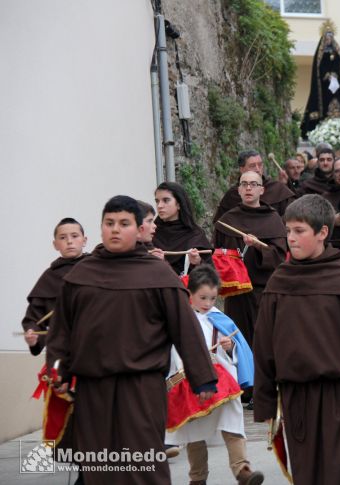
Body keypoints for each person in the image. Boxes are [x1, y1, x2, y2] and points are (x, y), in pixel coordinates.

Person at [46, 195, 218, 485]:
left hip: (142, 388)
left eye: (124, 223)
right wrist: (59, 368)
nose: (115, 229)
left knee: (143, 465)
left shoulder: (158, 274)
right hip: (92, 389)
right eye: (109, 223)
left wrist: (203, 378)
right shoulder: (81, 276)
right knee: (99, 467)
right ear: (101, 229)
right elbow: (62, 329)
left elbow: (185, 328)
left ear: (139, 230)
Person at [253, 194, 340, 485]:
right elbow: (264, 344)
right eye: (288, 231)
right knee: (309, 476)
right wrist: (265, 399)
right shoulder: (280, 282)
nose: (291, 238)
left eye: (299, 231)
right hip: (297, 400)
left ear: (323, 232)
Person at [165, 265, 261, 485]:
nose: (208, 304)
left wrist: (229, 347)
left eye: (212, 298)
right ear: (189, 294)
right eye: (203, 298)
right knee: (193, 431)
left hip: (221, 378)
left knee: (233, 421)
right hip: (189, 380)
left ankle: (242, 469)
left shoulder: (219, 318)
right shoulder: (179, 319)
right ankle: (197, 478)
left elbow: (236, 351)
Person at [214, 171, 287, 351]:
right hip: (237, 294)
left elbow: (279, 256)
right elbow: (218, 254)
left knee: (264, 341)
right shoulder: (227, 220)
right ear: (238, 190)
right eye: (244, 184)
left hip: (263, 291)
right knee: (238, 340)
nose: (248, 188)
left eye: (253, 184)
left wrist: (259, 247)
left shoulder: (273, 219)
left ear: (261, 190)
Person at [22, 218, 88, 355]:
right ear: (55, 244)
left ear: (84, 240)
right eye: (63, 238)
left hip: (95, 349)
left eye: (75, 236)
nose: (69, 241)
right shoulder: (49, 277)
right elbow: (34, 318)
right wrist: (33, 337)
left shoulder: (97, 269)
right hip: (62, 351)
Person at [300, 25, 340, 138]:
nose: (329, 39)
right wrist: (326, 75)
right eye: (327, 37)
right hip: (323, 86)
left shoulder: (336, 50)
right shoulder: (320, 53)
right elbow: (319, 67)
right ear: (324, 37)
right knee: (322, 103)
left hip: (336, 84)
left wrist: (334, 74)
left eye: (331, 36)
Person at [213, 150, 296, 220]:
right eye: (252, 166)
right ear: (242, 169)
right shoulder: (233, 195)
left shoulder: (277, 189)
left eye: (260, 165)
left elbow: (293, 216)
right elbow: (221, 225)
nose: (257, 169)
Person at [153, 182, 213, 275]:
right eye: (157, 201)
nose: (159, 206)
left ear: (179, 204)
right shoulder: (151, 233)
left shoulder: (195, 235)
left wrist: (198, 262)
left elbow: (210, 276)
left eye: (166, 200)